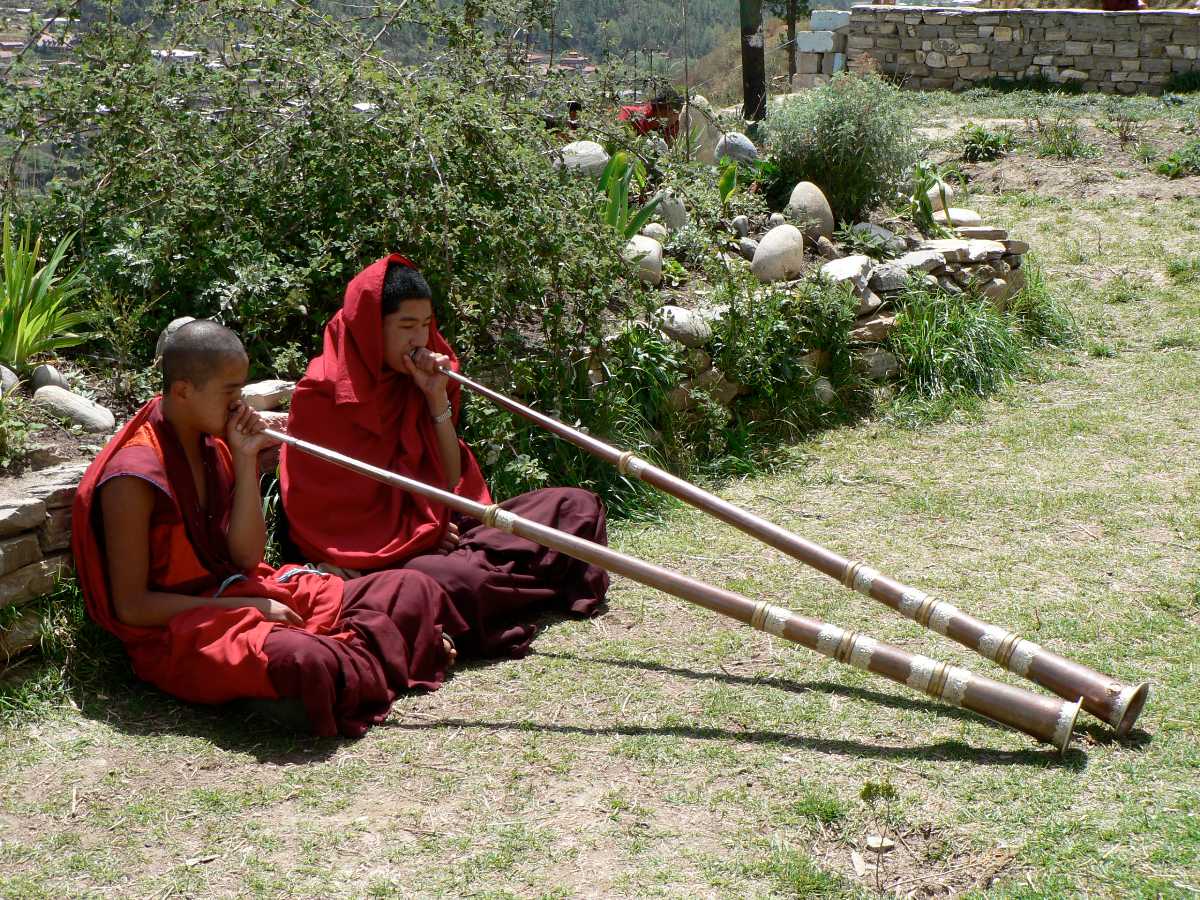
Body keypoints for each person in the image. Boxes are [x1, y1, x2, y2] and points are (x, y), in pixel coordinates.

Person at [72, 320, 467, 738]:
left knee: (411, 588)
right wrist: (250, 611)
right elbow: (133, 607)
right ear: (184, 390)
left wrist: (245, 462)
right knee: (306, 662)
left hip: (240, 591)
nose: (239, 403)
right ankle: (382, 653)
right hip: (183, 629)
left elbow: (245, 560)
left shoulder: (213, 443)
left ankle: (366, 658)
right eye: (230, 392)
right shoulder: (133, 477)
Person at [279, 255, 610, 659]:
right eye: (405, 327)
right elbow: (325, 516)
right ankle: (499, 592)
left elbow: (450, 480)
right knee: (449, 579)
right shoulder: (322, 396)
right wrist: (418, 540)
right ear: (370, 328)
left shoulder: (420, 380)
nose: (419, 339)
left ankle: (482, 600)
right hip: (391, 559)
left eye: (425, 324)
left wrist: (435, 398)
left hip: (447, 529)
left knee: (575, 505)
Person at [618, 88, 682, 142]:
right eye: (677, 113)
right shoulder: (629, 114)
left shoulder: (672, 127)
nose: (678, 117)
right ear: (669, 110)